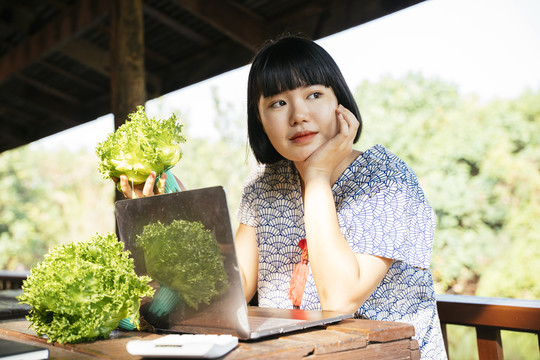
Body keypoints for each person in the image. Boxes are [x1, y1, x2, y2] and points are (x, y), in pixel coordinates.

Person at [119, 35, 447, 359]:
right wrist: (173, 213)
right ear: (259, 120)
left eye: (315, 94)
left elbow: (340, 298)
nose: (298, 115)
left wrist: (317, 176)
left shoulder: (385, 178)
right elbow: (234, 288)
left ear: (340, 103)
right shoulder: (262, 187)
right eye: (278, 102)